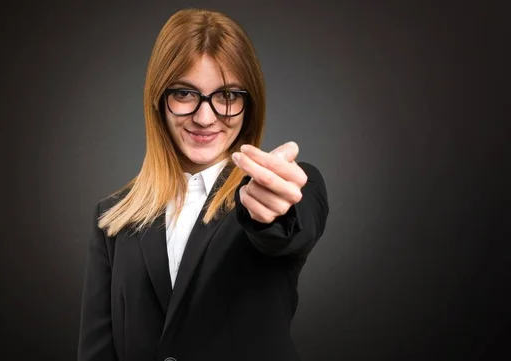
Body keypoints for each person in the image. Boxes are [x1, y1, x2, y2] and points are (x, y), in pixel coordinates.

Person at [77, 8, 329, 361]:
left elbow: (291, 226)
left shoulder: (287, 186)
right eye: (184, 94)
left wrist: (270, 214)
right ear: (158, 101)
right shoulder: (113, 218)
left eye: (227, 96)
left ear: (249, 104)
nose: (205, 117)